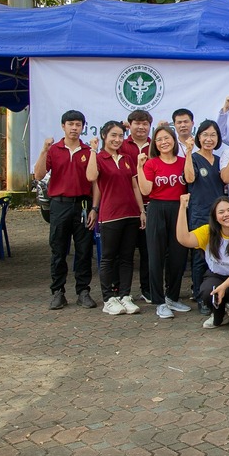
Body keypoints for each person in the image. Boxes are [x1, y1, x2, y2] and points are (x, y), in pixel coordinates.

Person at [33, 110, 98, 310]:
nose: (74, 128)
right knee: (58, 249)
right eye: (70, 124)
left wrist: (94, 208)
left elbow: (95, 183)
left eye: (78, 125)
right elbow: (38, 174)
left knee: (84, 250)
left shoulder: (88, 151)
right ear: (63, 126)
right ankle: (58, 291)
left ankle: (83, 291)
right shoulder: (54, 150)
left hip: (83, 205)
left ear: (82, 127)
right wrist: (44, 150)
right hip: (59, 204)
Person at [86, 121, 145, 316]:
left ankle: (125, 295)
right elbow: (91, 176)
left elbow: (135, 187)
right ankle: (108, 298)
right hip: (110, 216)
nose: (117, 140)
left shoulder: (127, 158)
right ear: (104, 136)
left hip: (131, 215)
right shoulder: (99, 158)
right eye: (113, 135)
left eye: (120, 136)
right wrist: (93, 152)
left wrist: (141, 211)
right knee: (109, 258)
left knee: (127, 258)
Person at [177, 195, 229, 329]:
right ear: (215, 216)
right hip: (216, 275)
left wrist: (224, 286)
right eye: (221, 212)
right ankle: (220, 315)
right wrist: (182, 208)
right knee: (207, 291)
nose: (226, 214)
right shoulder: (208, 231)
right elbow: (183, 239)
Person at [136, 125, 191, 319]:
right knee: (156, 256)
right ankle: (159, 301)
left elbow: (190, 181)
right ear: (155, 143)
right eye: (159, 139)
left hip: (179, 209)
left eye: (167, 138)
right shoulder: (151, 164)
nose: (164, 142)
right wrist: (139, 167)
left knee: (178, 254)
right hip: (157, 208)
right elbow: (145, 190)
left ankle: (172, 297)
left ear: (174, 140)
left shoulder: (184, 161)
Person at [183, 119, 227, 313]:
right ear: (198, 137)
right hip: (200, 214)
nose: (209, 139)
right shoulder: (193, 158)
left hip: (220, 216)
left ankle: (218, 294)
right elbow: (190, 179)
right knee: (200, 257)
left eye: (213, 135)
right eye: (205, 135)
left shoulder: (219, 160)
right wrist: (188, 152)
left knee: (218, 254)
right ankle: (201, 297)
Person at [119, 109, 153, 303]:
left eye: (145, 123)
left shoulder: (156, 145)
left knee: (149, 252)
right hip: (128, 207)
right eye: (137, 123)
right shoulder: (121, 146)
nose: (141, 127)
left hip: (152, 205)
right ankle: (123, 291)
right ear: (129, 125)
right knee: (126, 252)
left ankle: (147, 289)